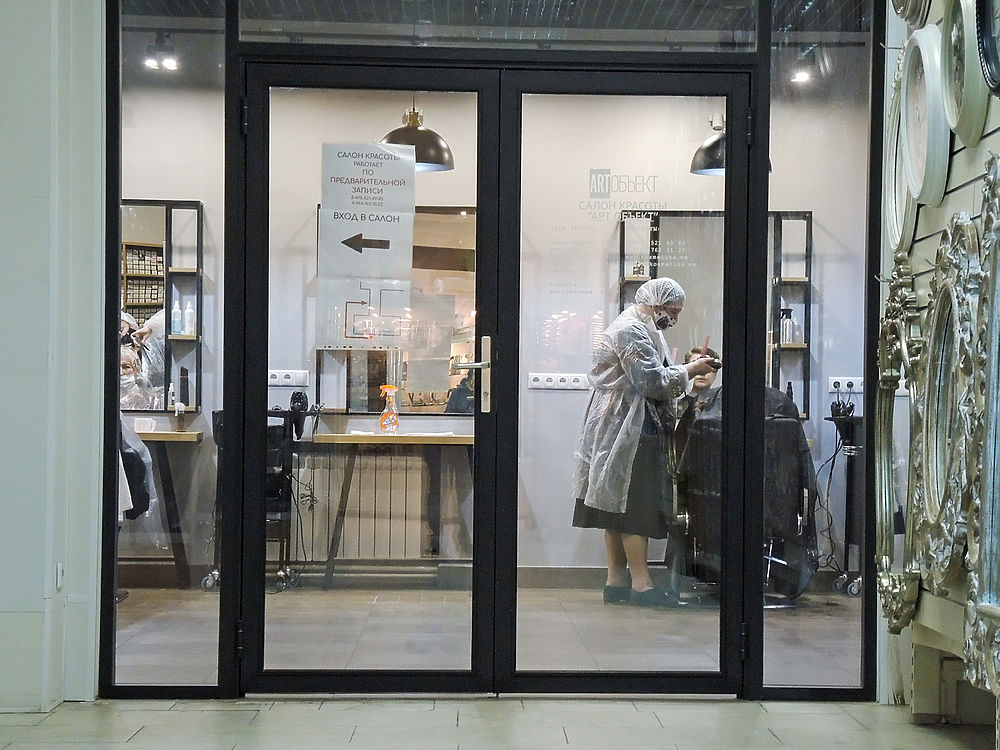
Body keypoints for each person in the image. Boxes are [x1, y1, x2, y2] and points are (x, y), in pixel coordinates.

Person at [571, 278, 719, 607]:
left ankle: (616, 582)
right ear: (656, 304)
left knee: (615, 506)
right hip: (630, 426)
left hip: (620, 425)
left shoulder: (643, 329)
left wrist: (684, 375)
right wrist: (691, 369)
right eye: (673, 311)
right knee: (634, 506)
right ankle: (642, 584)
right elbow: (651, 381)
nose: (675, 318)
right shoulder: (631, 331)